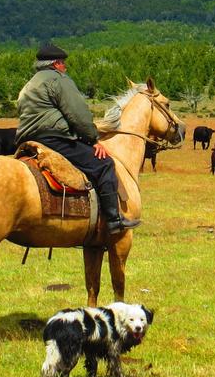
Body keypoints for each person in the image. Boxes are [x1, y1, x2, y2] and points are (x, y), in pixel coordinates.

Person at [15, 44, 140, 236]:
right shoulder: (59, 80)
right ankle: (114, 219)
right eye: (63, 63)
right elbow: (78, 115)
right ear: (56, 64)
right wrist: (92, 140)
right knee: (104, 163)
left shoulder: (28, 84)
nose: (65, 67)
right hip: (55, 139)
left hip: (28, 141)